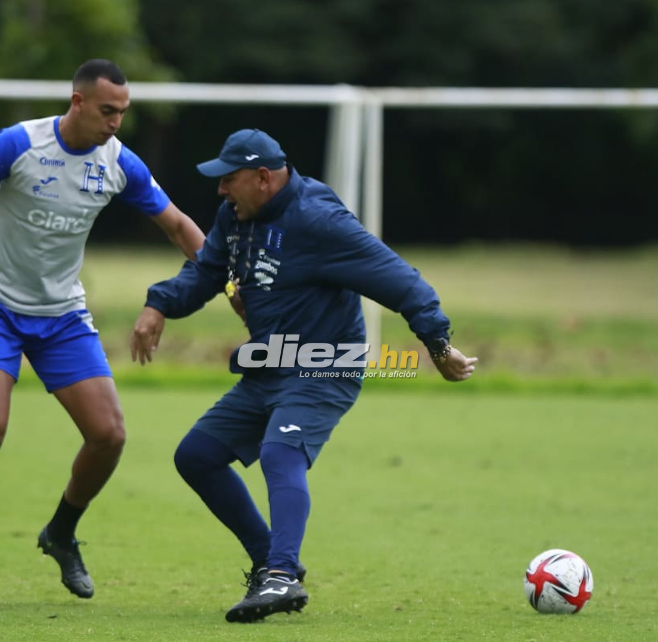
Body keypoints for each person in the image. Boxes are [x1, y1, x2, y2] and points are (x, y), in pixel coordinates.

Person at [130, 128, 477, 623]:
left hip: (325, 365)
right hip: (269, 366)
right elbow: (207, 271)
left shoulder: (318, 220)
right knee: (197, 456)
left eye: (229, 179)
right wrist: (159, 304)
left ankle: (281, 575)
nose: (221, 190)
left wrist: (438, 345)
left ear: (263, 178)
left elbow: (402, 280)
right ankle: (269, 560)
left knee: (280, 452)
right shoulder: (235, 216)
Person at [0, 58, 205, 608]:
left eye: (123, 112)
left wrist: (228, 283)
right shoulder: (19, 143)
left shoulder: (118, 162)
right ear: (77, 102)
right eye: (107, 110)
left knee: (110, 435)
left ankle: (60, 532)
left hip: (62, 317)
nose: (116, 123)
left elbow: (178, 225)